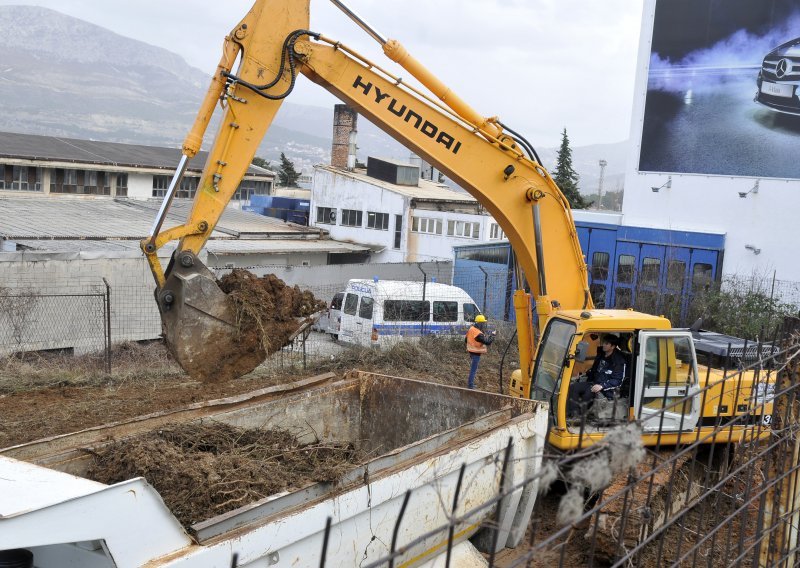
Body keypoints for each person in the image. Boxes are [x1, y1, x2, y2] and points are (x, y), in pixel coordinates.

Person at [568, 333, 627, 416]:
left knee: (587, 394)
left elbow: (618, 380)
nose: (603, 345)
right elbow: (595, 370)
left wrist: (602, 386)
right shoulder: (601, 354)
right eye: (603, 342)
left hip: (606, 389)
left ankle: (582, 417)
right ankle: (575, 415)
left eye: (606, 344)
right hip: (593, 382)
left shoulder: (619, 361)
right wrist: (584, 374)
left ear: (613, 346)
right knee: (573, 387)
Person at [465, 314, 497, 389]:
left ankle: (471, 384)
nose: (484, 325)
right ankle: (470, 385)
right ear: (480, 323)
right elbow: (488, 342)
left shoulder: (471, 329)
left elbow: (466, 340)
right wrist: (492, 335)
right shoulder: (478, 334)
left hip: (471, 351)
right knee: (473, 370)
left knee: (473, 369)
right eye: (483, 323)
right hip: (476, 353)